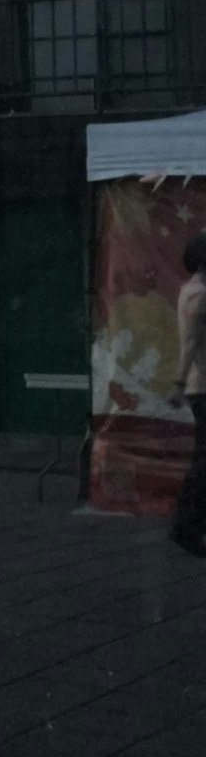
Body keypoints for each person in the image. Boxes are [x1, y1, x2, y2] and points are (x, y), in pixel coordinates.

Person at [169, 232, 206, 555]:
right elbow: (191, 344)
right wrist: (178, 384)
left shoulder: (191, 290)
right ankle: (186, 526)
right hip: (203, 387)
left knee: (203, 459)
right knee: (203, 462)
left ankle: (190, 526)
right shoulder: (199, 294)